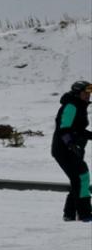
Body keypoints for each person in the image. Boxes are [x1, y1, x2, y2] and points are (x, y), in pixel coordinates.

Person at [52, 80, 91, 222]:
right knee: (81, 177)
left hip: (72, 149)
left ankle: (69, 214)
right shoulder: (71, 106)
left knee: (79, 179)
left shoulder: (79, 105)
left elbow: (78, 130)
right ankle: (84, 214)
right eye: (85, 93)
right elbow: (64, 129)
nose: (88, 95)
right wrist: (71, 145)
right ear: (77, 93)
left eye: (89, 93)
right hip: (64, 150)